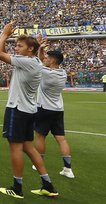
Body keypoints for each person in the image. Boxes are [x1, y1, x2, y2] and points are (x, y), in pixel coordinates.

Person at [0, 23, 58, 198]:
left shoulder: (27, 61)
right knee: (29, 148)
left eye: (19, 46)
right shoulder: (34, 61)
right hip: (28, 110)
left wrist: (4, 35)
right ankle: (48, 185)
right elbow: (6, 53)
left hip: (17, 109)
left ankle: (17, 187)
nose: (16, 48)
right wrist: (29, 44)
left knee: (15, 148)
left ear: (30, 49)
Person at [32, 39, 74, 179]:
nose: (45, 59)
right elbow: (41, 61)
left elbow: (36, 62)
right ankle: (68, 169)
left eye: (48, 58)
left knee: (40, 136)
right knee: (61, 139)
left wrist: (40, 48)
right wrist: (42, 50)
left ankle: (38, 162)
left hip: (44, 108)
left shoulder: (45, 72)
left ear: (53, 61)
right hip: (58, 109)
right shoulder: (63, 73)